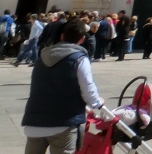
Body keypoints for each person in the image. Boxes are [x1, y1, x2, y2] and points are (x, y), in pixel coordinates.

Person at [20, 18, 103, 154]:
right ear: (82, 39)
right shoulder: (79, 59)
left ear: (62, 36)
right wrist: (97, 102)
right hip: (63, 121)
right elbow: (88, 90)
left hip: (34, 120)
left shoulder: (42, 57)